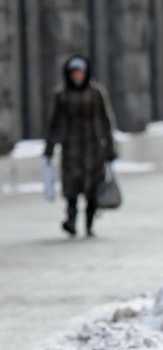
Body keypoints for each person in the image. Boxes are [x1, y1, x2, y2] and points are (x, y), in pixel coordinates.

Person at [43, 55, 118, 237]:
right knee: (71, 188)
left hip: (93, 149)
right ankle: (70, 220)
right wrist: (49, 149)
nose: (78, 76)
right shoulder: (61, 95)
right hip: (71, 149)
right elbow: (54, 123)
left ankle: (89, 224)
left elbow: (106, 121)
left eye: (80, 73)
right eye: (74, 73)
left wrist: (110, 148)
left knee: (93, 188)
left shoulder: (96, 93)